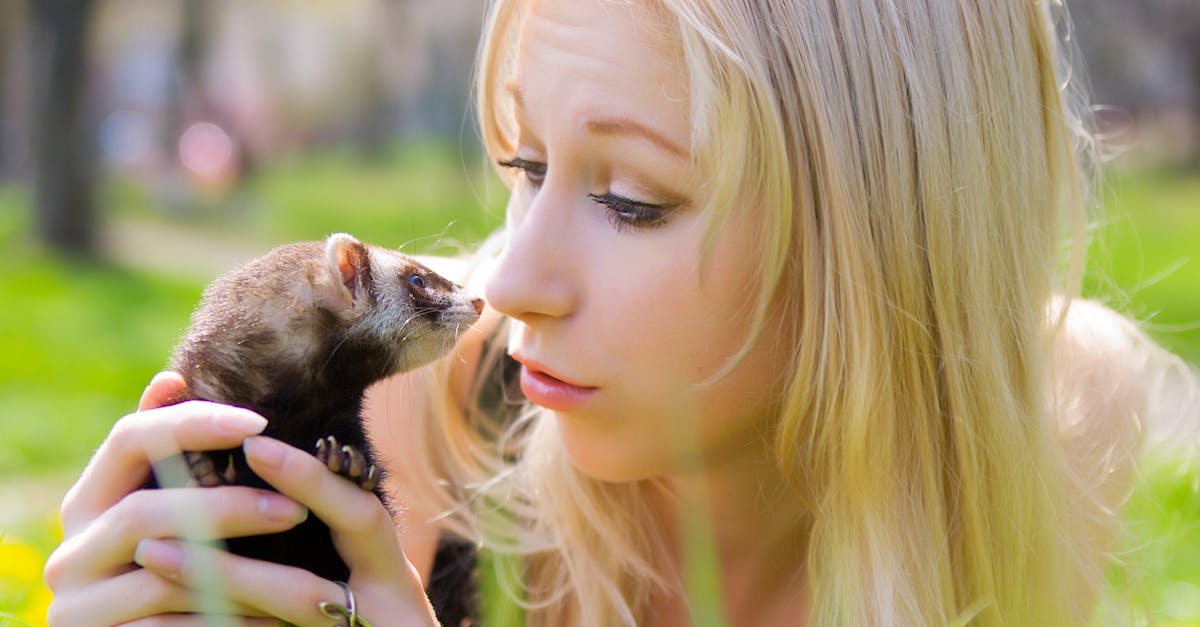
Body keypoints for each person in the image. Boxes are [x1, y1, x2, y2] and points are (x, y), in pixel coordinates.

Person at [43, 0, 1195, 624]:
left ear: (882, 234)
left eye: (632, 200)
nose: (510, 284)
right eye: (524, 163)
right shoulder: (425, 424)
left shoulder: (1084, 444)